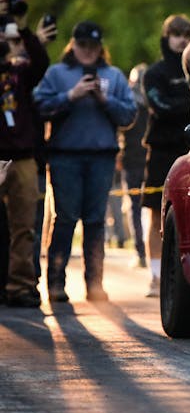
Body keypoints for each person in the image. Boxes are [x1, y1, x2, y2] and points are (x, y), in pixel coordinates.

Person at [34, 21, 136, 302]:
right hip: (65, 156)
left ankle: (95, 283)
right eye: (82, 45)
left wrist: (105, 100)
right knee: (65, 218)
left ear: (100, 47)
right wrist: (71, 95)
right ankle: (56, 282)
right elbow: (38, 106)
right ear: (73, 45)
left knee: (95, 220)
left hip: (101, 157)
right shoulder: (57, 74)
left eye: (94, 46)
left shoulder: (113, 76)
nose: (88, 51)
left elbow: (129, 115)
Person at [142, 14, 190, 297]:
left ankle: (186, 274)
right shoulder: (155, 73)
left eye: (187, 35)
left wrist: (181, 104)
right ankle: (155, 275)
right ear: (167, 37)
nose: (182, 40)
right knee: (155, 213)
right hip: (161, 151)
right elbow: (161, 106)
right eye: (177, 35)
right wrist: (189, 103)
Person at [0, 18, 49, 308]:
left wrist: (23, 28)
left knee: (24, 226)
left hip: (22, 156)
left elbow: (41, 62)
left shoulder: (21, 72)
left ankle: (20, 285)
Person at [121, 63, 148, 270]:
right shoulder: (154, 102)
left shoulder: (129, 104)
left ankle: (141, 252)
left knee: (135, 208)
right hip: (146, 160)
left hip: (133, 160)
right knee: (152, 209)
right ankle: (147, 251)